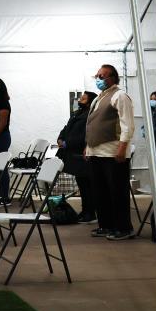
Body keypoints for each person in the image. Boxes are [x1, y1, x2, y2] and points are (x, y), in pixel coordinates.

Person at [86, 64, 135, 241]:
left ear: (113, 77)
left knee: (117, 192)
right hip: (96, 153)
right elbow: (92, 124)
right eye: (97, 75)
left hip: (113, 153)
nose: (99, 79)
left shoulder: (120, 96)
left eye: (103, 76)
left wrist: (122, 148)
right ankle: (105, 225)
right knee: (100, 193)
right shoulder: (98, 98)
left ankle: (123, 228)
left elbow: (127, 125)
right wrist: (88, 147)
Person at [56, 91, 96, 222]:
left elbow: (84, 136)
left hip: (82, 153)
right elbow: (66, 128)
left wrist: (68, 143)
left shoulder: (90, 115)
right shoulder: (77, 113)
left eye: (84, 98)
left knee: (87, 186)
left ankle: (90, 213)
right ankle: (85, 211)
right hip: (73, 153)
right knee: (82, 184)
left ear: (90, 102)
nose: (80, 100)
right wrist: (61, 139)